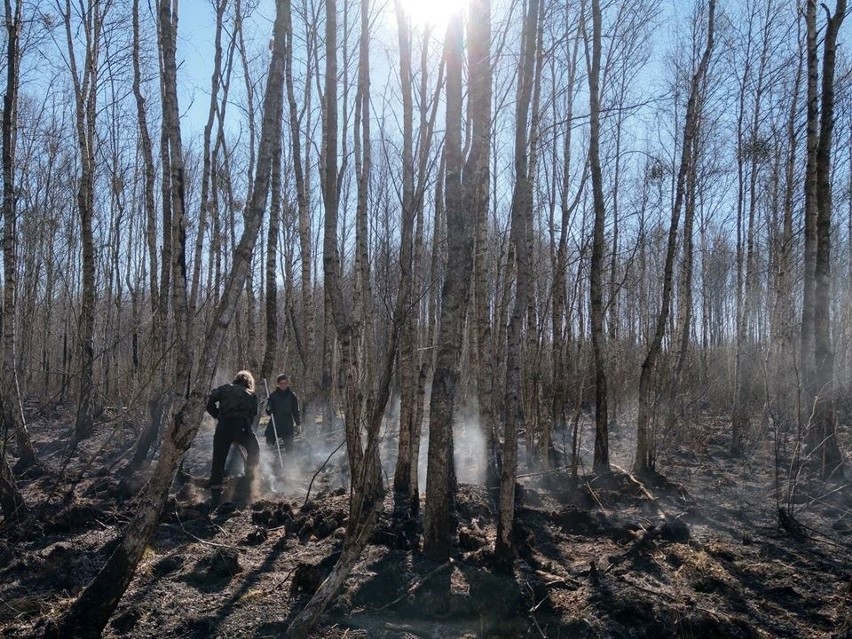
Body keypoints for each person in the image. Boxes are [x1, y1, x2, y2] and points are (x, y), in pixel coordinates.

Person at [206, 370, 260, 495]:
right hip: (242, 427)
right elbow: (252, 414)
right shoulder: (251, 394)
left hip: (223, 427)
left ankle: (215, 486)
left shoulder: (224, 388)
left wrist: (218, 415)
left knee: (219, 458)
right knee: (254, 450)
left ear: (236, 380)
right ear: (249, 382)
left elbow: (209, 401)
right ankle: (250, 479)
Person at [265, 373, 301, 453]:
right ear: (278, 384)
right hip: (275, 422)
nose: (283, 385)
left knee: (289, 446)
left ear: (287, 383)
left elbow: (295, 411)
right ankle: (268, 460)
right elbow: (268, 411)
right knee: (269, 440)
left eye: (285, 383)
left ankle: (290, 462)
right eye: (281, 383)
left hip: (287, 422)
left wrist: (298, 424)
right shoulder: (273, 396)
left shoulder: (292, 395)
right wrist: (268, 409)